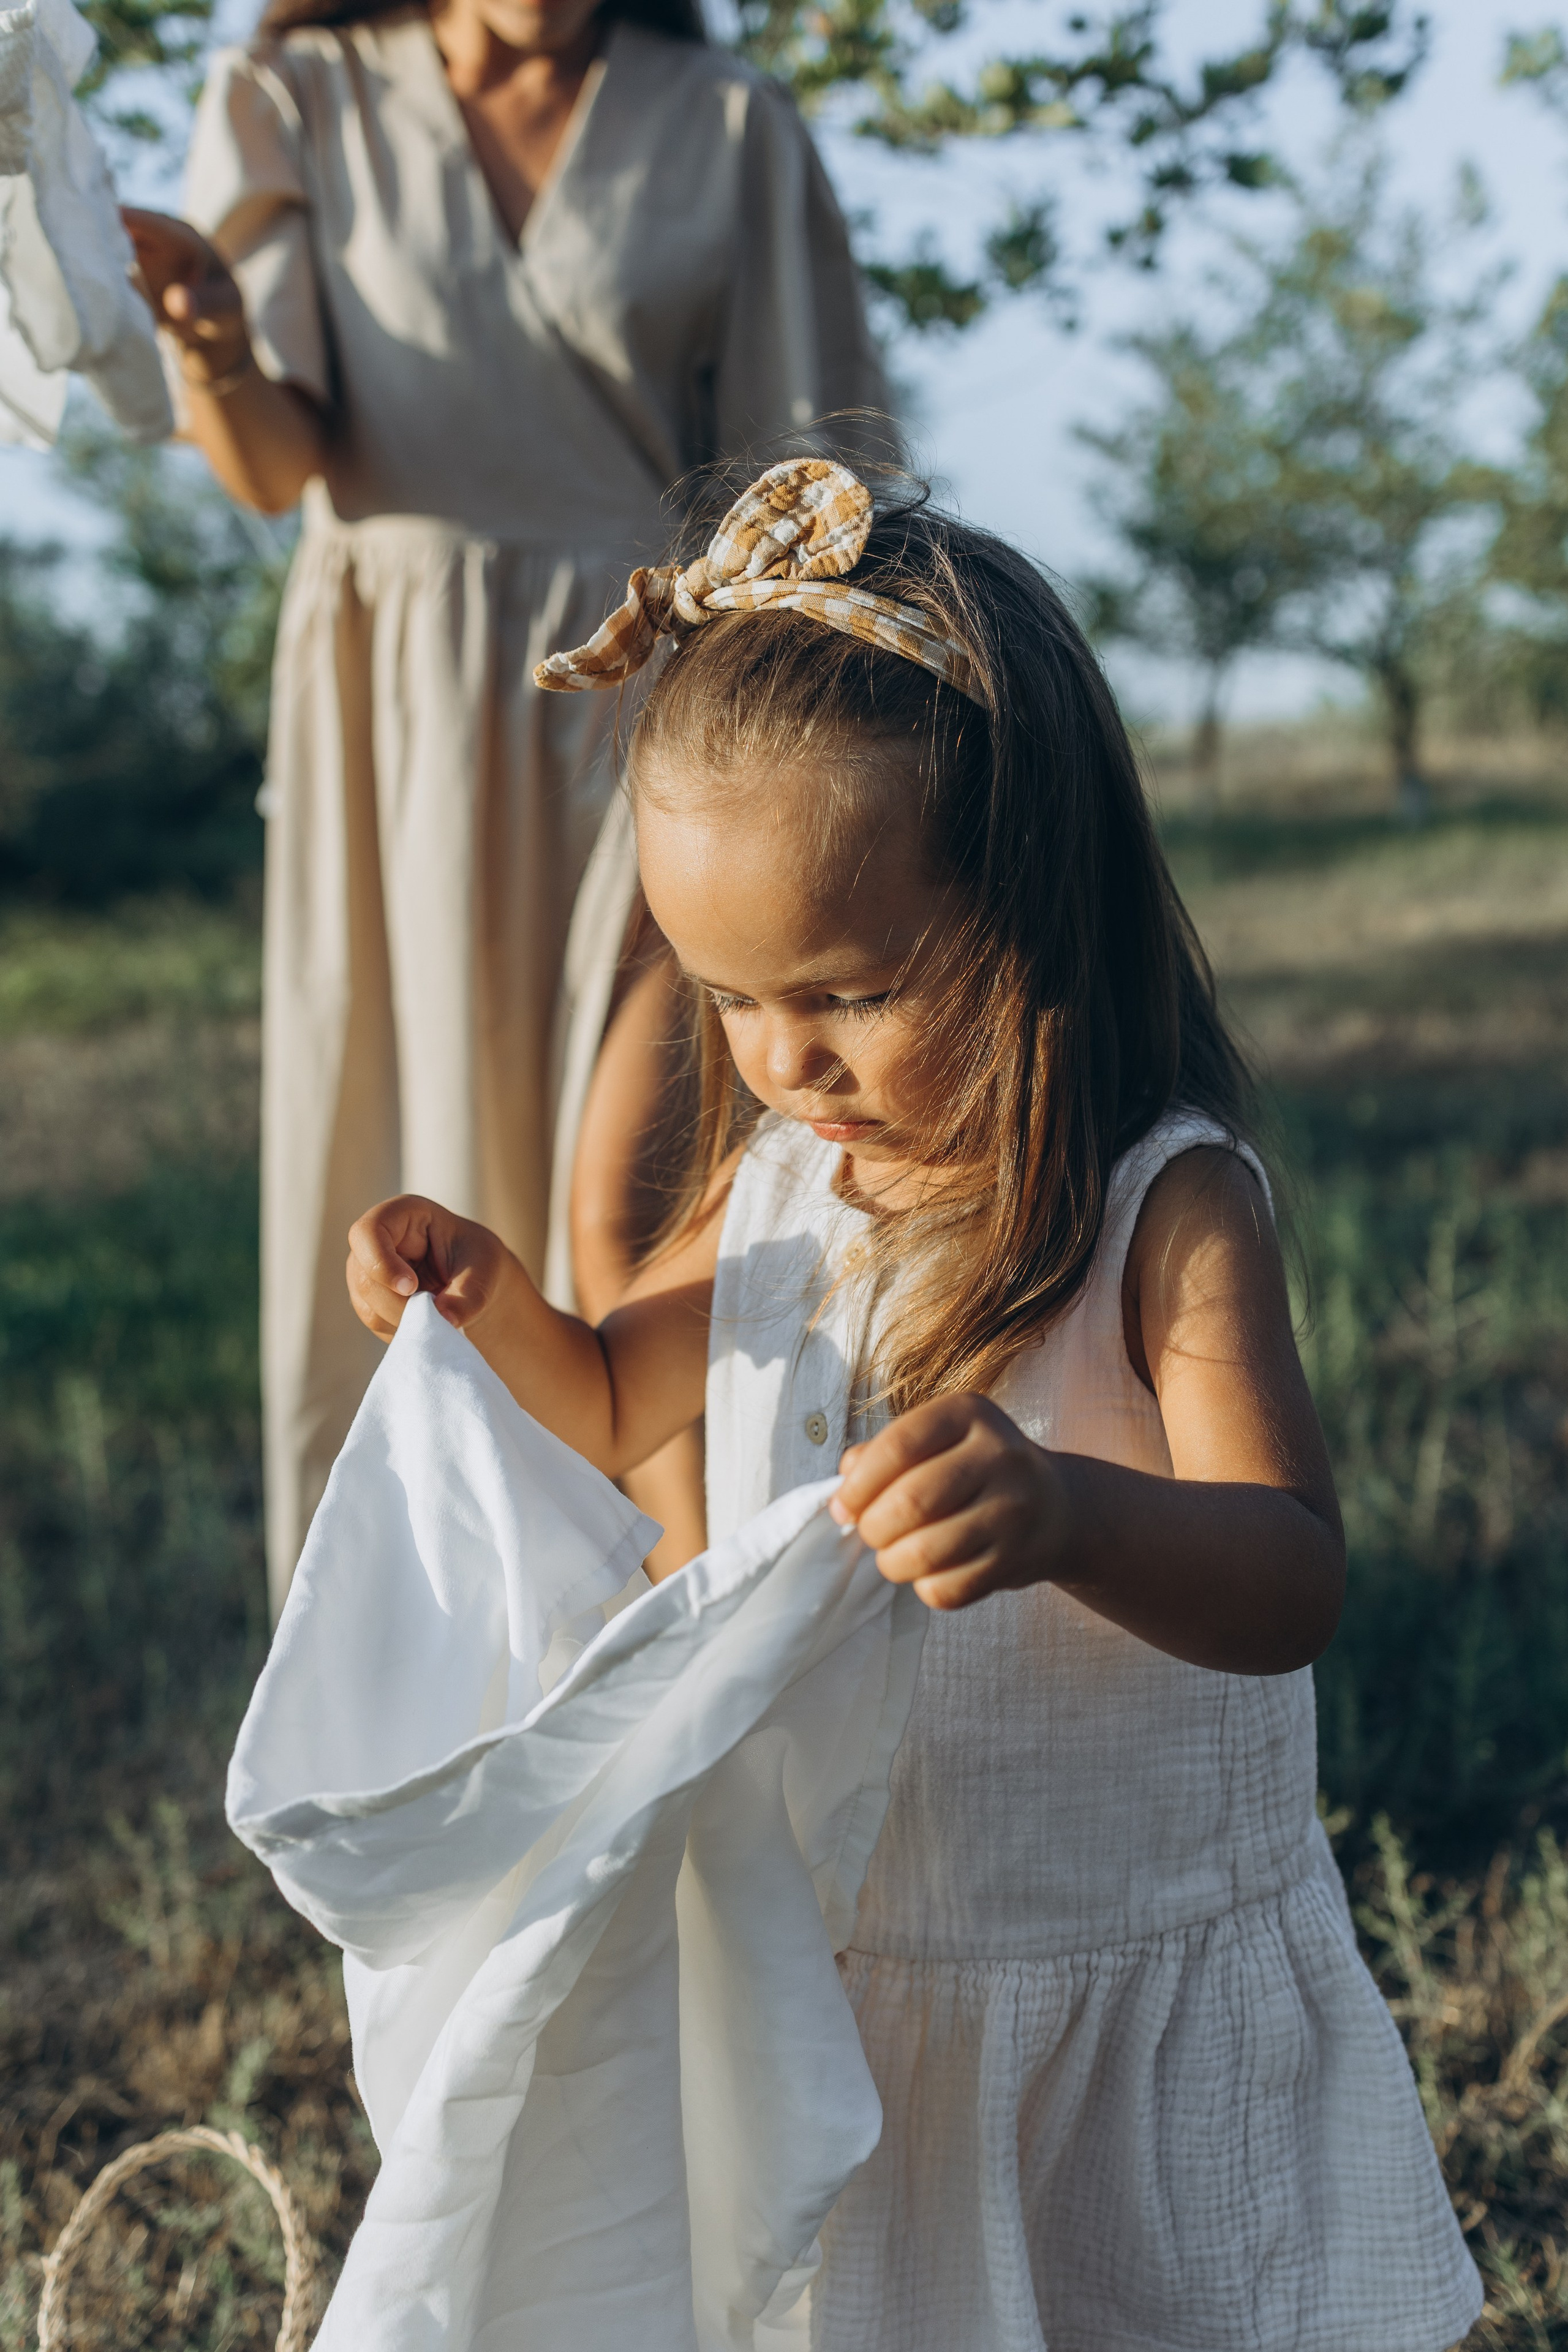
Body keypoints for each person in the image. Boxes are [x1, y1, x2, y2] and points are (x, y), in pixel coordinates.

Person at [340, 458, 1482, 2351]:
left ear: (1036, 912)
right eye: (730, 1000)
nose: (786, 1060)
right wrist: (484, 1306)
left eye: (853, 993)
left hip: (1107, 1944)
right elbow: (620, 1397)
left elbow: (1290, 1575)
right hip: (870, 1950)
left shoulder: (1163, 1207)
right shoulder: (784, 1186)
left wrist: (1072, 1512)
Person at [123, 0, 887, 1614]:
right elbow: (272, 468)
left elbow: (813, 485)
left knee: (635, 1201)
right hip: (401, 718)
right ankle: (484, 1648)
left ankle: (714, 1636)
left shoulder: (728, 121)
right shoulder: (290, 96)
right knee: (424, 1180)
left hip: (661, 716)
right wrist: (210, 333)